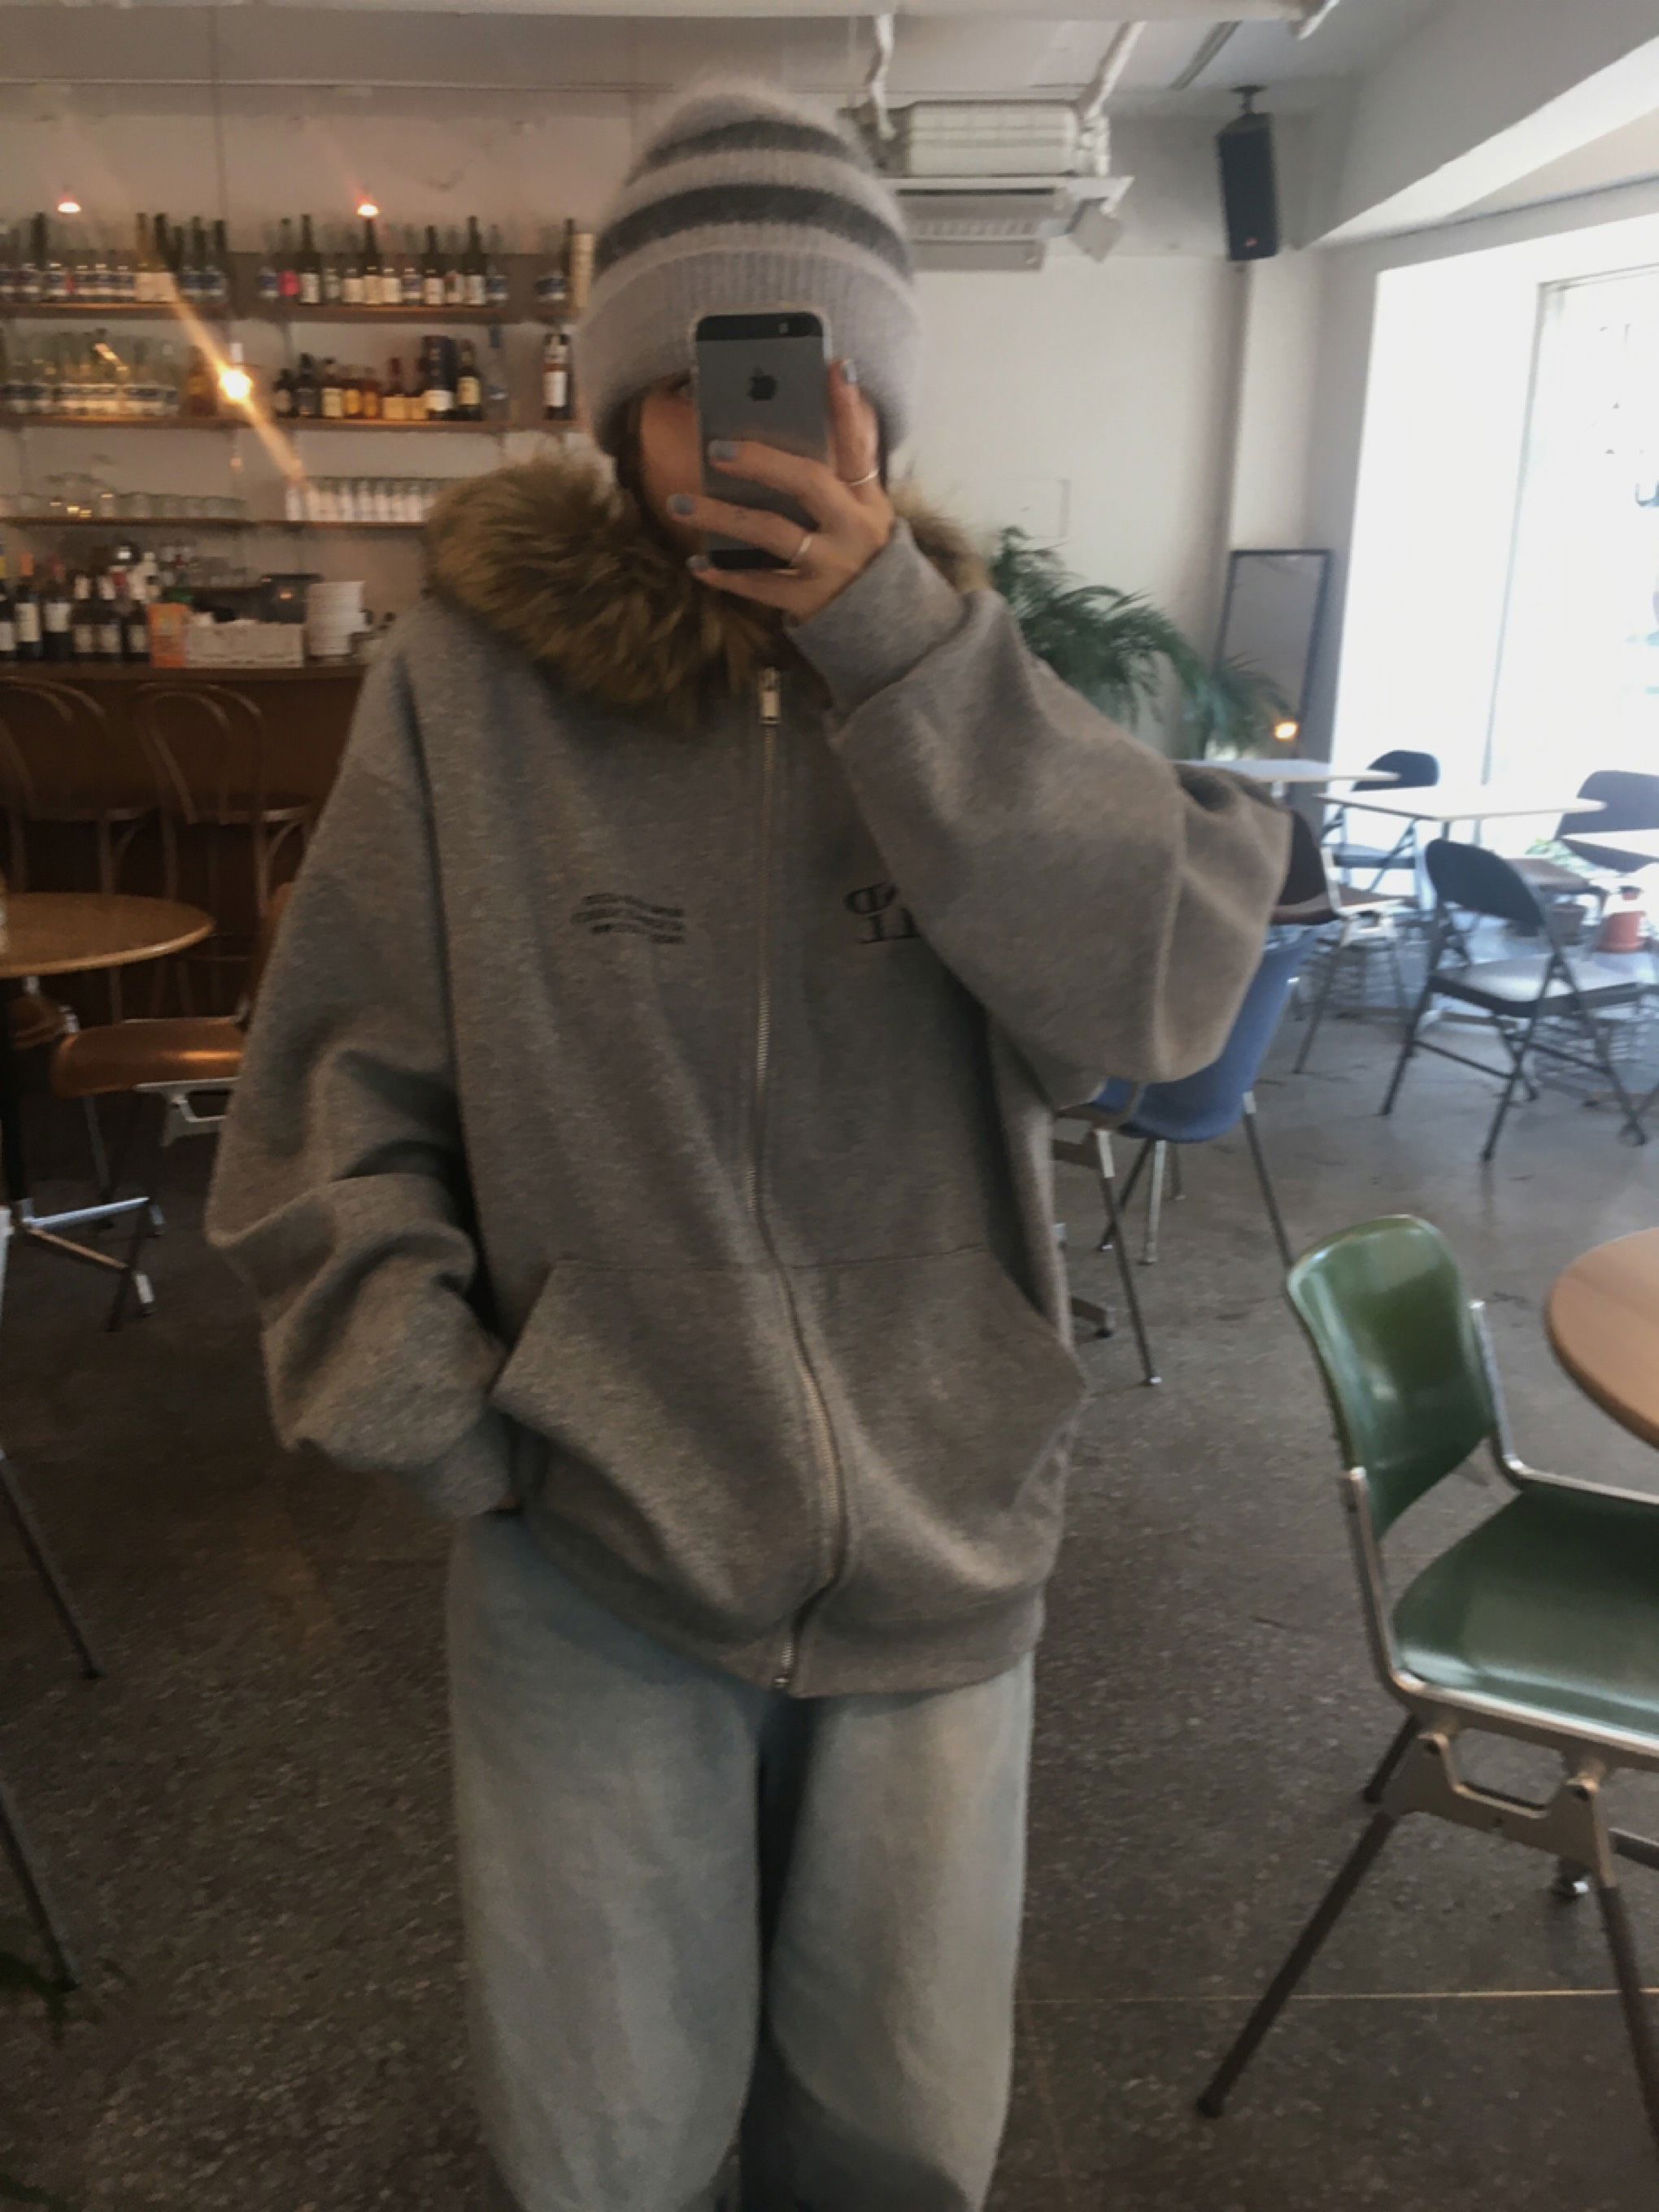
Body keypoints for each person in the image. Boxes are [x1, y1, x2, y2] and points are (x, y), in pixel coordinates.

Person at [207, 79, 1290, 2212]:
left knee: (900, 2137)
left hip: (943, 1523)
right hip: (590, 1537)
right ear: (620, 400)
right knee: (606, 2145)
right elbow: (331, 1086)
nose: (752, 419)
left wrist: (906, 655)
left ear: (876, 401)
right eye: (702, 368)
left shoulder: (982, 678)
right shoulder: (471, 688)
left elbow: (1165, 1002)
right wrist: (456, 1422)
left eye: (805, 369)